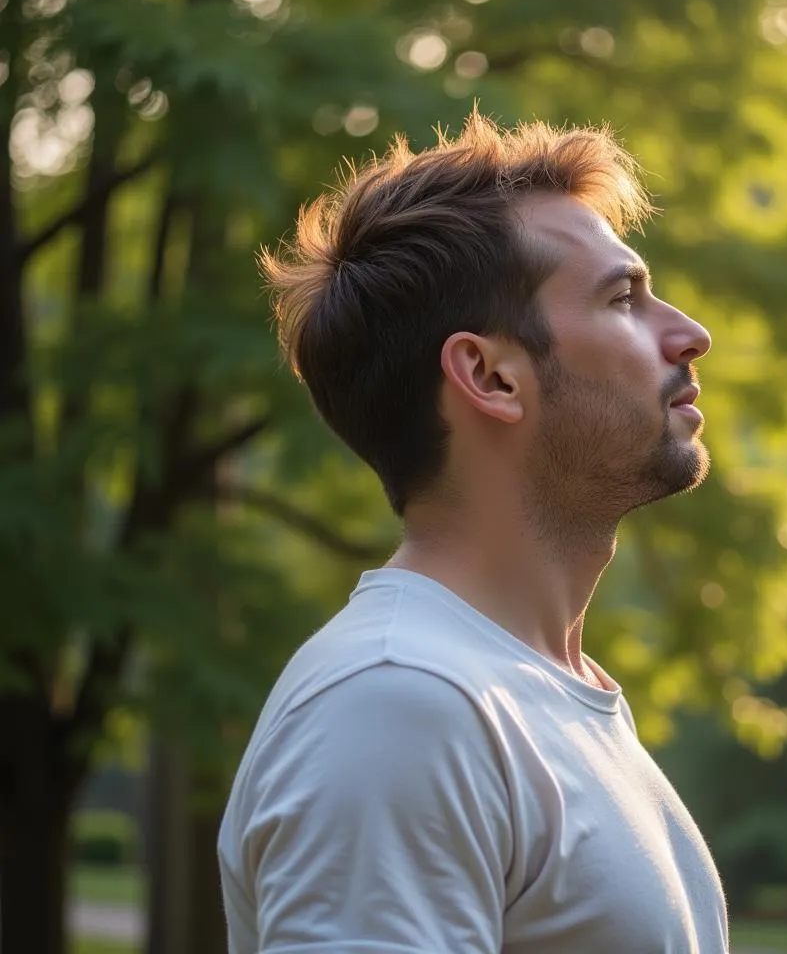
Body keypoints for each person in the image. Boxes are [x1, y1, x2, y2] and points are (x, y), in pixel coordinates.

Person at [218, 110, 727, 953]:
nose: (688, 333)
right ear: (490, 376)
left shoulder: (525, 693)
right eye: (623, 298)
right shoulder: (398, 703)